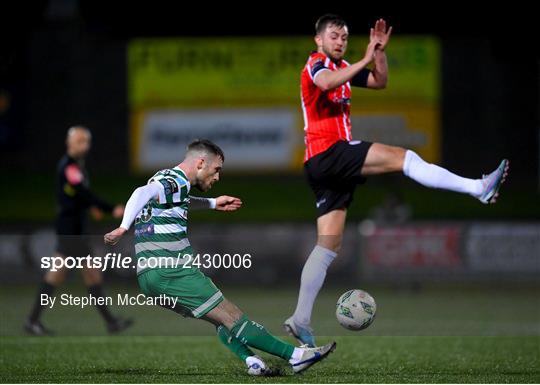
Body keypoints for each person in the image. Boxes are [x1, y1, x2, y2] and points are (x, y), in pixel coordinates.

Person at [283, 14, 509, 347]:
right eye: (334, 36)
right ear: (319, 40)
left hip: (323, 165)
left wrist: (378, 53)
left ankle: (300, 319)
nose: (340, 41)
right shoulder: (316, 63)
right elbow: (325, 83)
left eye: (344, 37)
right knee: (405, 159)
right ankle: (477, 188)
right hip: (329, 152)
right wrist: (362, 58)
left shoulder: (343, 67)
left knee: (328, 244)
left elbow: (379, 81)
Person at [103, 139, 336, 376]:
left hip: (150, 277)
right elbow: (142, 192)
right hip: (172, 270)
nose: (217, 177)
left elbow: (175, 201)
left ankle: (252, 361)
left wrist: (213, 203)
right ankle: (296, 356)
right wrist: (123, 227)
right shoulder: (175, 180)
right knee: (232, 316)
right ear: (201, 163)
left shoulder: (167, 179)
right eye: (216, 170)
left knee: (219, 319)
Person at [25, 126, 132, 335]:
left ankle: (33, 320)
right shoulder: (69, 166)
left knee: (79, 275)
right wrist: (110, 208)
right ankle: (110, 322)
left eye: (87, 141)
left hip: (74, 229)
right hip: (71, 231)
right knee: (75, 275)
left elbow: (77, 195)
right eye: (80, 141)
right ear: (69, 143)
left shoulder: (75, 165)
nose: (85, 146)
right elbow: (83, 193)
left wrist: (91, 207)